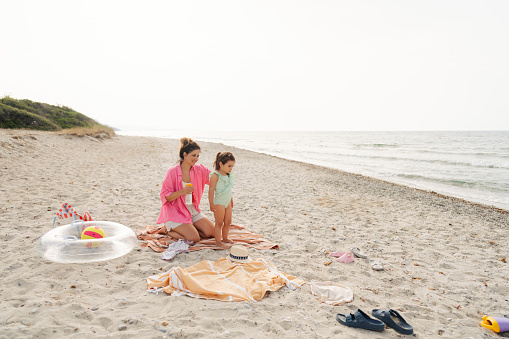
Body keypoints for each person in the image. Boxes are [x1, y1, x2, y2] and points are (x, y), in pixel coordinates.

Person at [157, 138, 215, 243]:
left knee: (212, 233)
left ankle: (189, 228)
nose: (196, 159)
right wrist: (182, 192)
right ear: (185, 154)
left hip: (192, 210)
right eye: (193, 155)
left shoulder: (199, 169)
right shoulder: (172, 172)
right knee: (194, 238)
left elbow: (214, 178)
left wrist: (224, 169)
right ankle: (167, 230)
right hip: (176, 211)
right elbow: (166, 197)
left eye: (198, 156)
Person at [208, 151, 236, 248]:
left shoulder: (229, 175)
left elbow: (228, 188)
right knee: (219, 223)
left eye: (232, 166)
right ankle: (218, 242)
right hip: (219, 202)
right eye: (229, 166)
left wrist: (231, 199)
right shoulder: (215, 175)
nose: (231, 168)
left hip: (227, 202)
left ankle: (225, 238)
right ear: (221, 164)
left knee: (228, 222)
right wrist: (211, 203)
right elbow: (211, 190)